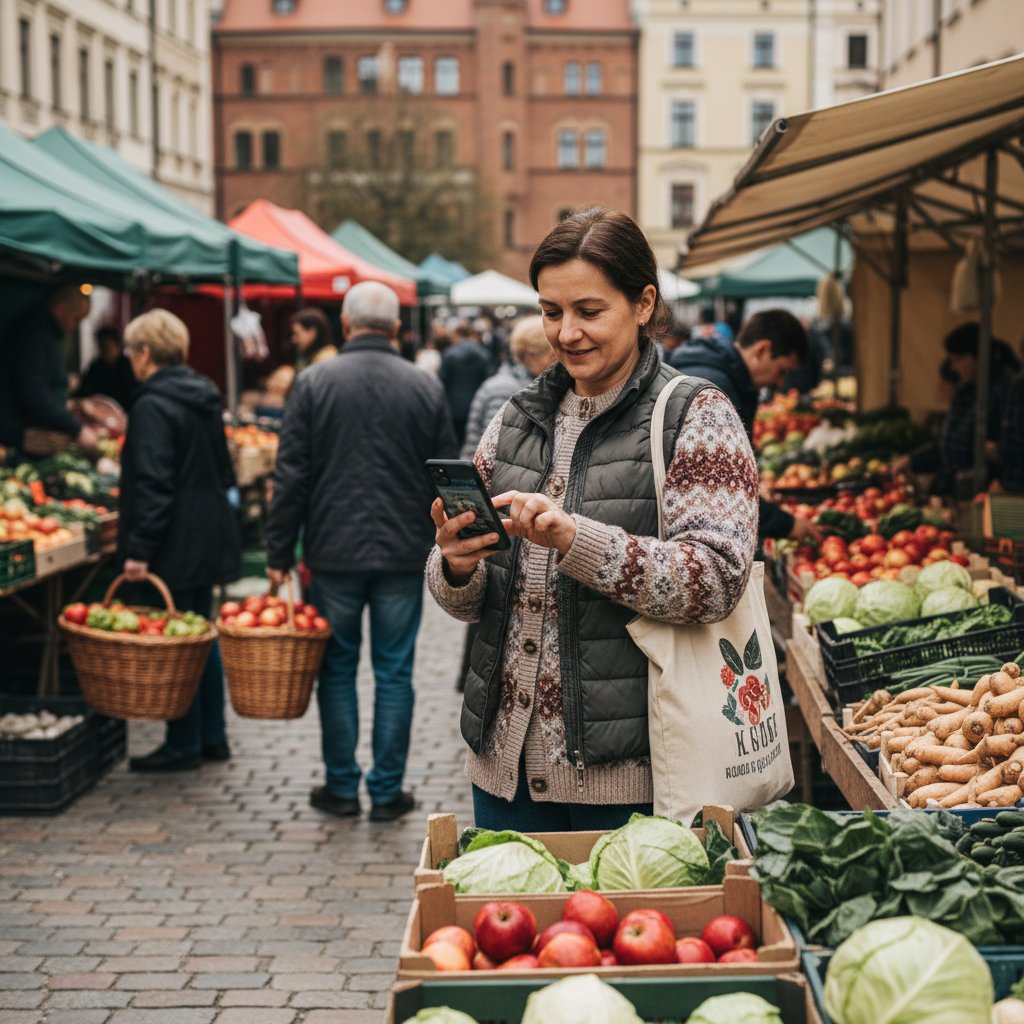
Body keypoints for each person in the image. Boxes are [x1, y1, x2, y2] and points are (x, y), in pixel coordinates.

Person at [427, 207, 758, 832]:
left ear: (643, 304)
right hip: (505, 768)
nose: (567, 332)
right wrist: (455, 562)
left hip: (634, 777)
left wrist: (576, 540)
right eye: (551, 312)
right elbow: (466, 600)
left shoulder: (697, 416)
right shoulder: (515, 418)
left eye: (589, 310)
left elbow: (716, 577)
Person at [265, 281, 457, 822]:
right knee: (395, 672)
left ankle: (342, 787)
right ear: (396, 328)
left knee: (338, 669)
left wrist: (278, 552)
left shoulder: (312, 382)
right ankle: (388, 789)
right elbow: (445, 475)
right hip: (401, 551)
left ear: (345, 326)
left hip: (332, 553)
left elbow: (291, 476)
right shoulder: (424, 387)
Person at [118, 309, 241, 772]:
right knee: (199, 633)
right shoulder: (203, 396)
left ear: (147, 352)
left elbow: (154, 483)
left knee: (180, 638)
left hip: (174, 538)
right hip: (206, 531)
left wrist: (139, 550)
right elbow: (224, 470)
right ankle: (212, 736)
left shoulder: (151, 405)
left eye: (133, 349)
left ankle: (184, 741)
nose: (131, 358)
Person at [671, 309, 818, 544]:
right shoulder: (717, 390)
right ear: (762, 349)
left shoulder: (724, 377)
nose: (781, 382)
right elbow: (722, 485)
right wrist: (785, 524)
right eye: (783, 371)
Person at [895, 323, 1020, 497]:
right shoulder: (966, 389)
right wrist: (913, 460)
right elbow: (946, 445)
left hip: (986, 494)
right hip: (959, 489)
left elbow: (1012, 450)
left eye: (958, 359)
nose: (953, 366)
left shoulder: (1007, 389)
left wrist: (1003, 480)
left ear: (978, 357)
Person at [0, 283, 99, 452]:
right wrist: (76, 428)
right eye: (76, 319)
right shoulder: (34, 333)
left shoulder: (45, 331)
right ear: (60, 308)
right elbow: (33, 391)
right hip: (20, 436)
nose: (75, 326)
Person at [460, 316, 557, 460]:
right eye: (552, 355)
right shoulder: (506, 389)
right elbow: (493, 451)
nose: (557, 361)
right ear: (531, 355)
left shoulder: (517, 383)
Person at [439, 321, 492, 447]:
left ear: (457, 334)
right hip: (476, 404)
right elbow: (486, 380)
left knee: (456, 442)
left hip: (453, 406)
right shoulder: (483, 354)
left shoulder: (449, 354)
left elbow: (442, 381)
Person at [76, 325, 136, 410]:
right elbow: (84, 391)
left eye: (108, 346)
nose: (105, 350)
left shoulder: (129, 366)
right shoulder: (96, 367)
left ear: (117, 345)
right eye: (102, 346)